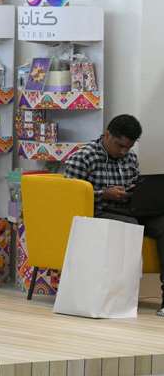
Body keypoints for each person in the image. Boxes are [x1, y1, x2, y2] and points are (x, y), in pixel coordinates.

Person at [63, 114, 164, 316]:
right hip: (98, 211)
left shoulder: (130, 158)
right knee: (129, 224)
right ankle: (119, 297)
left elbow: (135, 185)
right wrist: (104, 193)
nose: (124, 151)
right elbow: (69, 196)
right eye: (120, 146)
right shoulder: (82, 157)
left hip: (130, 208)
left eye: (129, 147)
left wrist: (138, 192)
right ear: (107, 135)